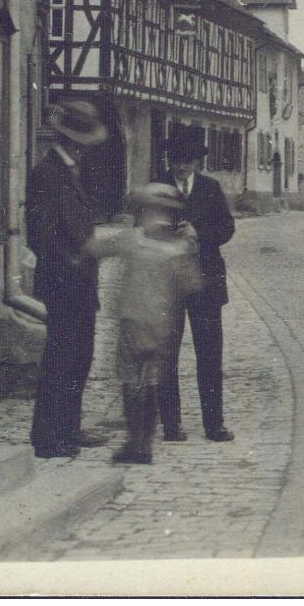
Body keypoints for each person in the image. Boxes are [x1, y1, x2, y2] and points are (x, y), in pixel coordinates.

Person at [27, 100, 112, 459]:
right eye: (83, 142)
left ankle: (69, 427)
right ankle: (47, 437)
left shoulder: (74, 171)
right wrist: (78, 257)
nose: (87, 149)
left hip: (81, 283)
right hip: (63, 282)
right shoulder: (47, 173)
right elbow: (41, 235)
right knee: (60, 359)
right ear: (72, 141)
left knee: (80, 357)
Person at [104, 183, 204, 465]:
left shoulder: (131, 239)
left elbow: (95, 248)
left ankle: (136, 442)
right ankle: (144, 443)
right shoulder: (178, 248)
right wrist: (190, 244)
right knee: (151, 382)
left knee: (130, 381)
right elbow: (193, 285)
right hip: (162, 325)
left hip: (132, 322)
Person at [159, 134, 238, 443]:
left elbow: (227, 228)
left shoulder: (210, 188)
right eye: (176, 161)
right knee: (167, 354)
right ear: (169, 161)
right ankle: (171, 424)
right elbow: (142, 229)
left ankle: (214, 423)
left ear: (196, 162)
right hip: (168, 283)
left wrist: (198, 233)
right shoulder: (157, 188)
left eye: (187, 161)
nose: (181, 167)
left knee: (209, 354)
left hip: (205, 282)